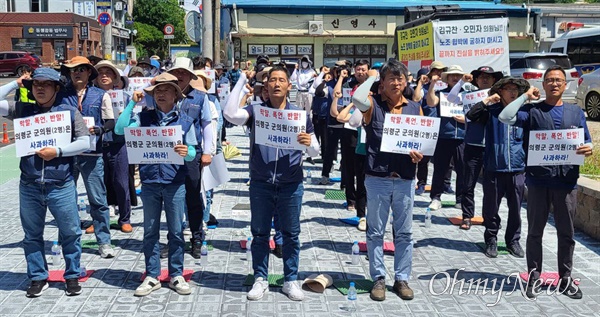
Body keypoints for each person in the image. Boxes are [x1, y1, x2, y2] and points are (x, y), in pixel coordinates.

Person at [223, 67, 320, 301]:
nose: (277, 84)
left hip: (291, 183)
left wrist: (308, 144)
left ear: (289, 85)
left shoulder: (300, 115)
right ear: (266, 86)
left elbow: (316, 152)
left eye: (282, 80)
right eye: (272, 80)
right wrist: (242, 80)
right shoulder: (256, 111)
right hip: (261, 182)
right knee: (259, 233)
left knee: (291, 234)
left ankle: (290, 279)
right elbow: (229, 114)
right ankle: (260, 278)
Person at [499, 65, 593, 300]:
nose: (554, 84)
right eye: (549, 80)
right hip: (539, 180)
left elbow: (587, 141)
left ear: (566, 84)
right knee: (535, 233)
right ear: (543, 84)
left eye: (558, 80)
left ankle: (566, 278)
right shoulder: (532, 111)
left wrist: (588, 148)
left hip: (566, 181)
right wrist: (523, 97)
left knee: (566, 233)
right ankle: (534, 275)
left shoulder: (576, 112)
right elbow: (505, 116)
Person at [0, 68, 90, 297]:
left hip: (60, 184)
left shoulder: (68, 113)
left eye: (46, 84)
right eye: (36, 84)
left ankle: (72, 275)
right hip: (29, 184)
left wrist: (58, 151)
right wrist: (14, 84)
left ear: (56, 88)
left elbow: (84, 142)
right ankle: (38, 277)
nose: (40, 88)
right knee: (31, 235)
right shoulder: (23, 111)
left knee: (70, 232)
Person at [115, 73, 198, 296]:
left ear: (175, 96)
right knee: (150, 231)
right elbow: (119, 129)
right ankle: (152, 275)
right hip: (150, 183)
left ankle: (176, 275)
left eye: (166, 90)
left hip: (175, 183)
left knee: (177, 231)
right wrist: (132, 102)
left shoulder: (184, 120)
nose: (161, 94)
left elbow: (193, 152)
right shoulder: (143, 118)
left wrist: (186, 152)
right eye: (157, 91)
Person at [353, 59, 423, 301]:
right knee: (375, 232)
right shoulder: (372, 105)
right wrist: (371, 77)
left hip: (404, 177)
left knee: (404, 232)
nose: (396, 82)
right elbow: (356, 98)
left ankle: (402, 278)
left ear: (406, 82)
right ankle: (378, 278)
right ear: (382, 83)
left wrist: (419, 155)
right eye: (390, 78)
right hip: (378, 176)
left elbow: (422, 143)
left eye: (400, 78)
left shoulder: (415, 108)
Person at [466, 77, 528, 259]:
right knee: (491, 207)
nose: (513, 92)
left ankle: (513, 241)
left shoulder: (524, 112)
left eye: (515, 89)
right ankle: (491, 239)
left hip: (517, 168)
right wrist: (486, 101)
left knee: (516, 207)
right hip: (494, 167)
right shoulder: (491, 112)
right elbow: (471, 116)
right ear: (500, 91)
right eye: (508, 89)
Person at [61, 56, 115, 258]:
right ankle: (68, 240)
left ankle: (104, 242)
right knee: (65, 199)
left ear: (89, 72)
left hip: (92, 154)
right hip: (66, 155)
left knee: (98, 199)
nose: (77, 73)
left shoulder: (101, 95)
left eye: (82, 69)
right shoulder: (60, 94)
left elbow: (111, 122)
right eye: (73, 70)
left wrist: (100, 129)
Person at [167, 57, 214, 258]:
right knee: (169, 197)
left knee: (193, 195)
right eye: (176, 72)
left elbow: (207, 124)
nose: (179, 76)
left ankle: (196, 237)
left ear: (190, 76)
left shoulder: (200, 97)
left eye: (184, 73)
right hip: (166, 151)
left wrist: (207, 151)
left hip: (191, 152)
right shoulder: (162, 92)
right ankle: (174, 239)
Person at [458, 66, 503, 230]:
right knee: (468, 184)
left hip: (492, 147)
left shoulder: (500, 98)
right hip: (472, 145)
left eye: (488, 77)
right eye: (481, 77)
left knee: (491, 187)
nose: (485, 79)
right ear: (476, 80)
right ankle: (467, 216)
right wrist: (462, 81)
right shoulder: (468, 96)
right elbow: (452, 98)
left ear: (494, 81)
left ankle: (489, 217)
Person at [94, 60, 135, 233]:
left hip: (119, 145)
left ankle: (124, 218)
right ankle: (98, 220)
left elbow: (131, 121)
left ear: (115, 78)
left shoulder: (125, 97)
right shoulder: (90, 96)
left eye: (108, 73)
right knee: (97, 185)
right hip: (96, 146)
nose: (104, 76)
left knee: (121, 182)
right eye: (100, 73)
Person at [426, 65, 466, 210]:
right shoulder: (441, 93)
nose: (455, 78)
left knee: (462, 169)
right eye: (452, 76)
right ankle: (436, 197)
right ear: (447, 78)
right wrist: (432, 84)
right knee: (440, 169)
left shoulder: (468, 95)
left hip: (462, 137)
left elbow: (475, 113)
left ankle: (460, 199)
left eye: (458, 75)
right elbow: (430, 102)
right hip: (444, 136)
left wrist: (465, 119)